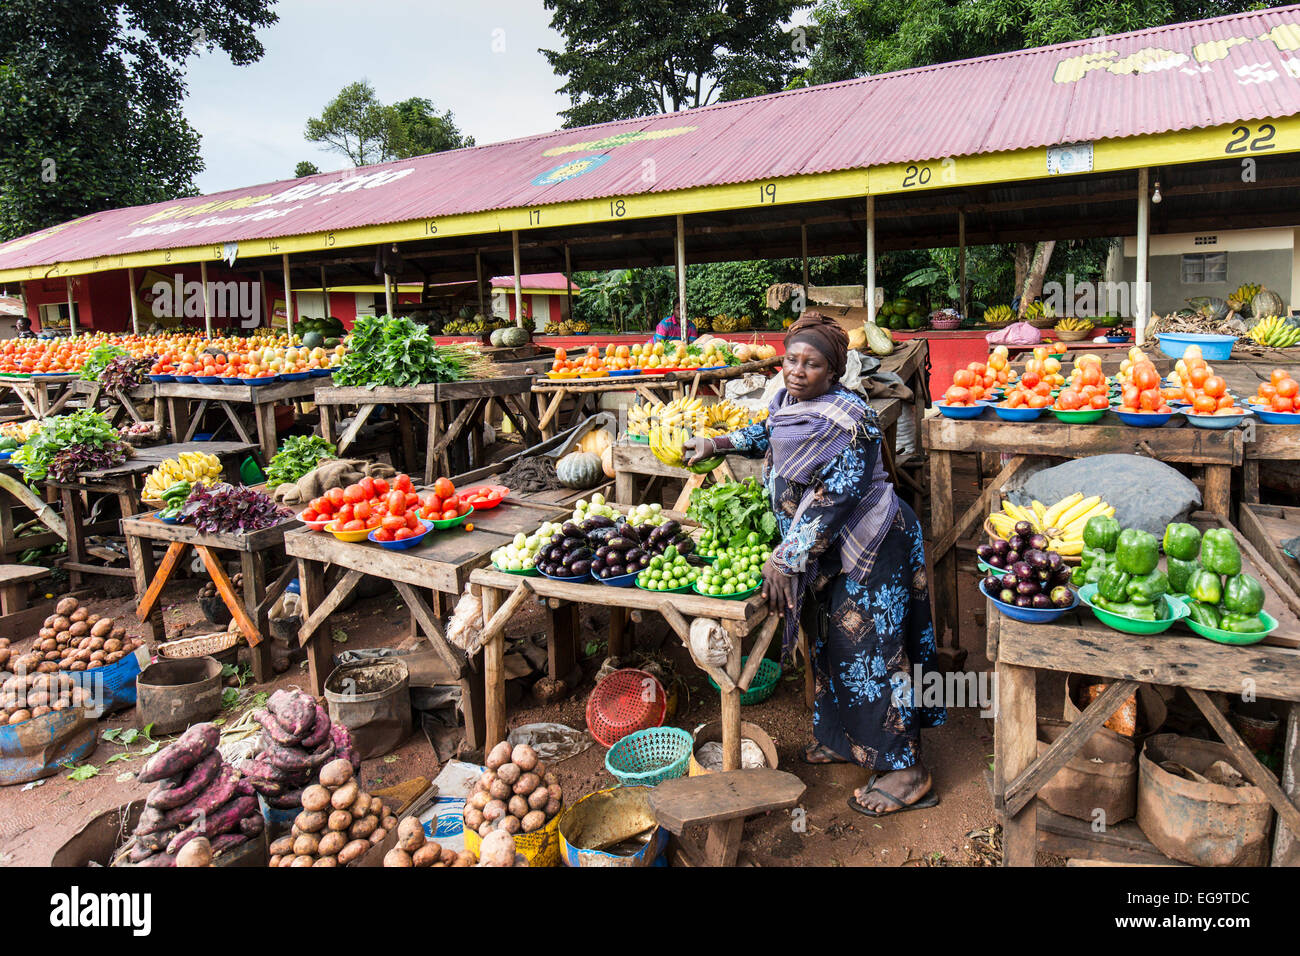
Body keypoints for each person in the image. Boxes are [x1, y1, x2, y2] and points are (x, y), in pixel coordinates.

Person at [684, 312, 945, 816]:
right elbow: (766, 434)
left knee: (873, 650)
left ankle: (907, 770)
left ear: (834, 372)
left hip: (871, 546)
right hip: (825, 552)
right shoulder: (788, 402)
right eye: (791, 360)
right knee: (829, 641)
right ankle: (846, 738)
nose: (797, 371)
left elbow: (835, 497)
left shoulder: (851, 421)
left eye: (812, 364)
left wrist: (786, 557)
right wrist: (714, 444)